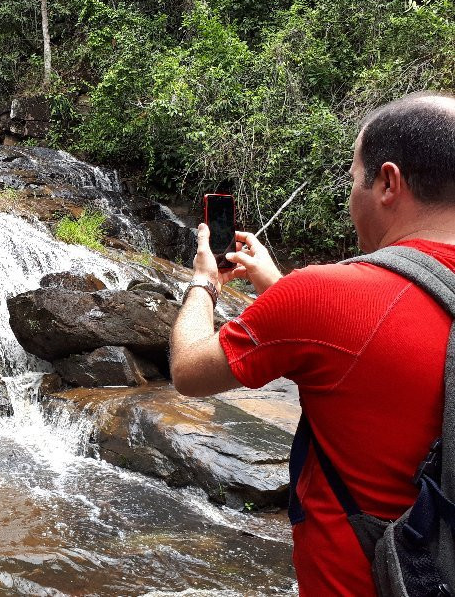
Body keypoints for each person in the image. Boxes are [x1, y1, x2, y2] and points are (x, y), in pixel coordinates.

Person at [169, 91, 455, 596]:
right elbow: (378, 344)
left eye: (353, 180)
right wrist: (279, 286)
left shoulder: (325, 295)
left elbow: (189, 370)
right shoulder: (324, 301)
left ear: (388, 182)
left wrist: (203, 284)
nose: (351, 199)